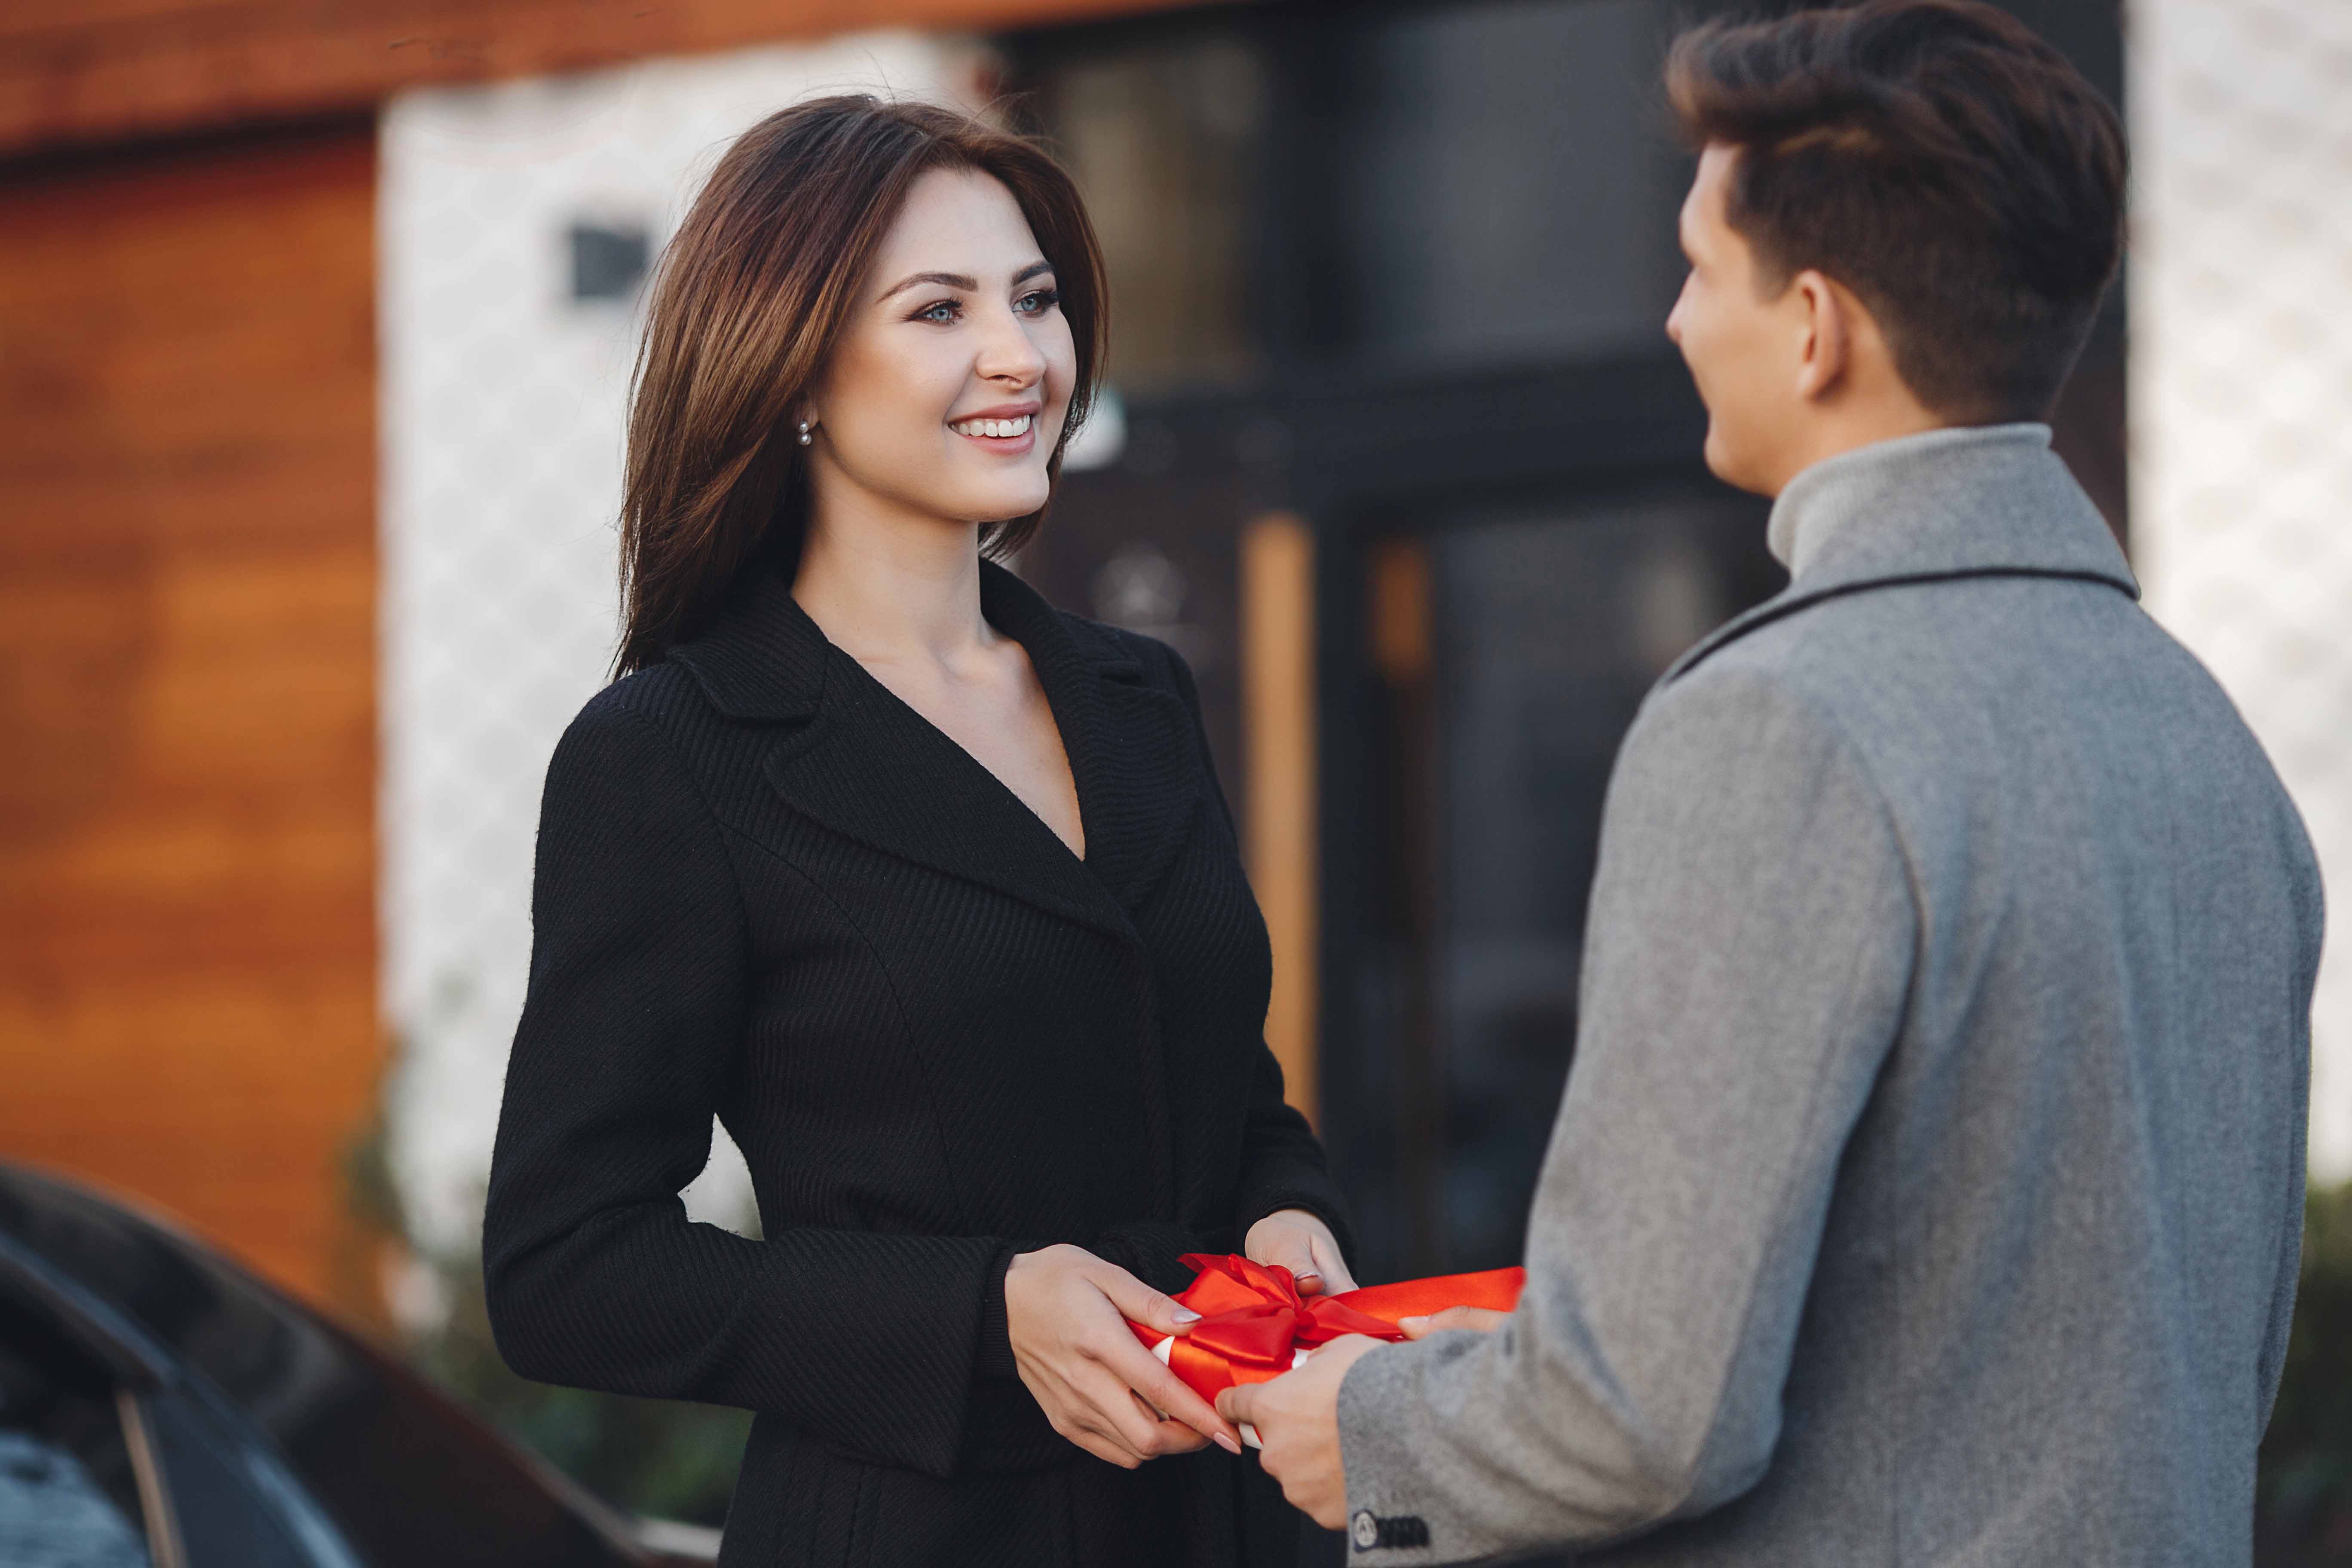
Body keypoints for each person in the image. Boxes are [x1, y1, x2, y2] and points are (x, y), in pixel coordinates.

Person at [1222, 3, 2321, 1562]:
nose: (1673, 320)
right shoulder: (2199, 730)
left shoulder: (1777, 724)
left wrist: (1373, 1430)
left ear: (1815, 327)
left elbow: (1641, 1411)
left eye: (1698, 267)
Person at [480, 96, 1355, 1568]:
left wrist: (1286, 1216)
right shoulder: (674, 756)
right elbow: (565, 1264)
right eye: (939, 310)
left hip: (1224, 1521)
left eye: (1033, 300)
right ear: (798, 369)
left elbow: (1226, 1092)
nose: (1020, 355)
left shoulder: (1139, 698)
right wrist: (978, 1318)